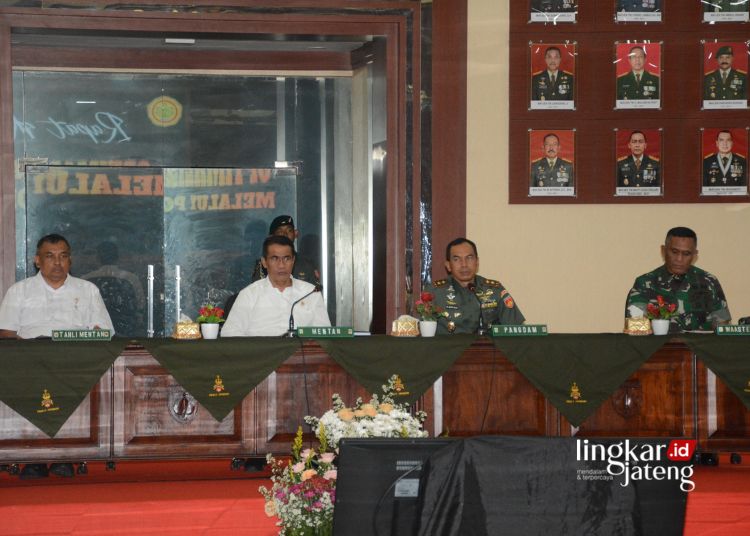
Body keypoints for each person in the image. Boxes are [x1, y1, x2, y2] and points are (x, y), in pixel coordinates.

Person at [0, 234, 114, 339]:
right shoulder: (18, 291)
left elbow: (103, 332)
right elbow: (6, 334)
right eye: (50, 256)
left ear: (70, 261)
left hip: (77, 355)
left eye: (63, 256)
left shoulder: (88, 290)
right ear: (38, 261)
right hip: (31, 356)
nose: (57, 262)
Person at [625, 227, 731, 333]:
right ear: (663, 250)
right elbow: (636, 327)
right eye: (674, 252)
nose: (679, 259)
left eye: (686, 254)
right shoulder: (645, 283)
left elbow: (723, 329)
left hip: (700, 348)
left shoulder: (709, 281)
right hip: (658, 348)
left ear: (694, 255)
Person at [221, 235, 330, 337]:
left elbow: (324, 334)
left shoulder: (310, 292)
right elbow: (229, 334)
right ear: (264, 262)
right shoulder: (249, 294)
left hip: (301, 356)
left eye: (286, 258)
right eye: (274, 259)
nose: (281, 265)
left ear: (293, 261)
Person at [423, 238, 524, 335]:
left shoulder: (494, 290)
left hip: (488, 351)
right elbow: (422, 332)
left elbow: (516, 329)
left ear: (477, 262)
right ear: (448, 265)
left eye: (469, 258)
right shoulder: (434, 292)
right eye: (457, 259)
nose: (464, 264)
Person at [251, 215, 320, 285]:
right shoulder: (265, 264)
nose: (285, 234)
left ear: (295, 234)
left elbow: (313, 292)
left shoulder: (306, 264)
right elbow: (258, 291)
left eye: (289, 230)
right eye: (280, 231)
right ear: (271, 237)